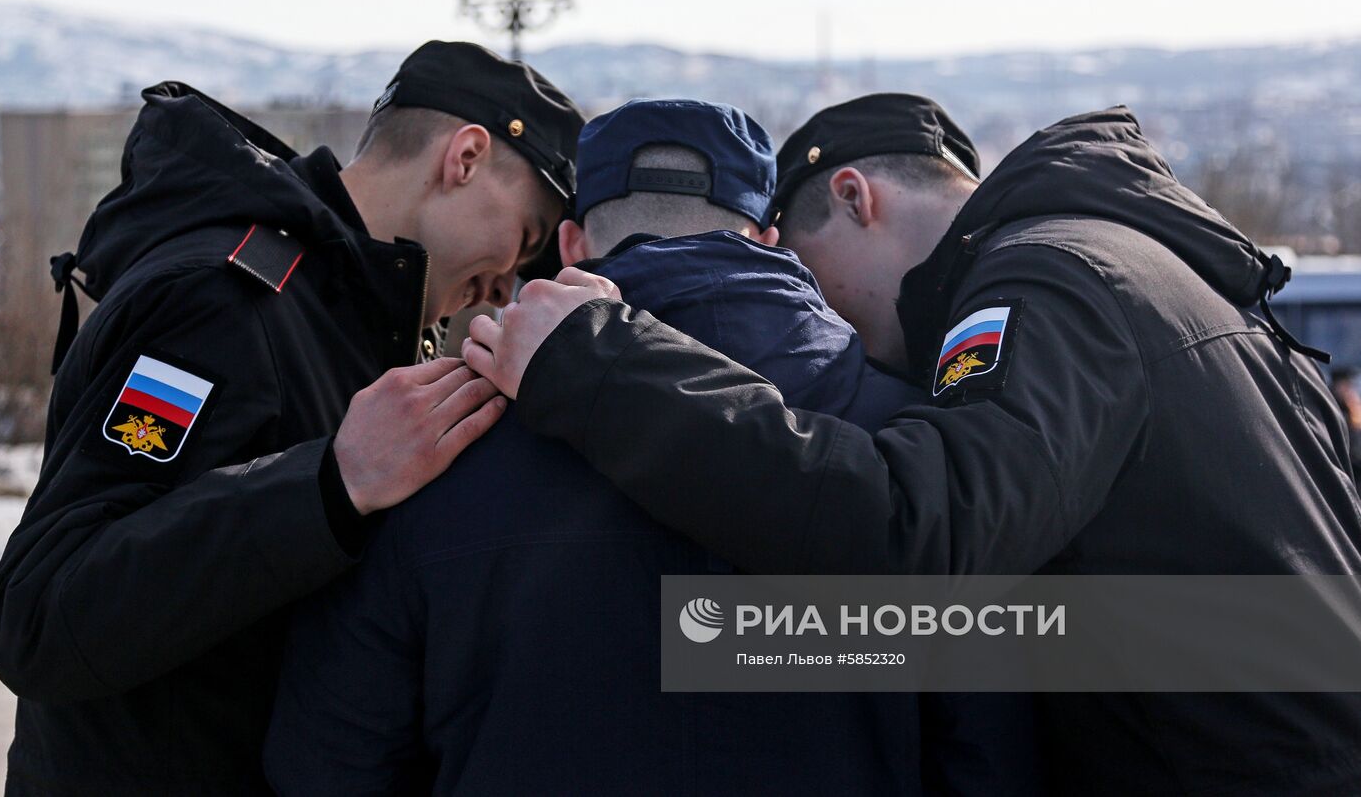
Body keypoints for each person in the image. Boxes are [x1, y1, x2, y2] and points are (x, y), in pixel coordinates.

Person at [464, 95, 1361, 795]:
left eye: (808, 276)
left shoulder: (1050, 280)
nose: (826, 319)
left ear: (855, 199)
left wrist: (602, 361)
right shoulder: (1143, 270)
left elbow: (918, 542)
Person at [264, 98, 1040, 796]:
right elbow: (988, 751)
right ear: (770, 240)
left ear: (569, 244)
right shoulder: (913, 441)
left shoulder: (433, 441)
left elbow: (330, 759)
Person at [0, 41, 584, 796]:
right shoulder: (219, 300)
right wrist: (330, 486)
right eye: (524, 240)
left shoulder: (359, 321)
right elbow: (41, 618)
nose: (505, 288)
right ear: (463, 158)